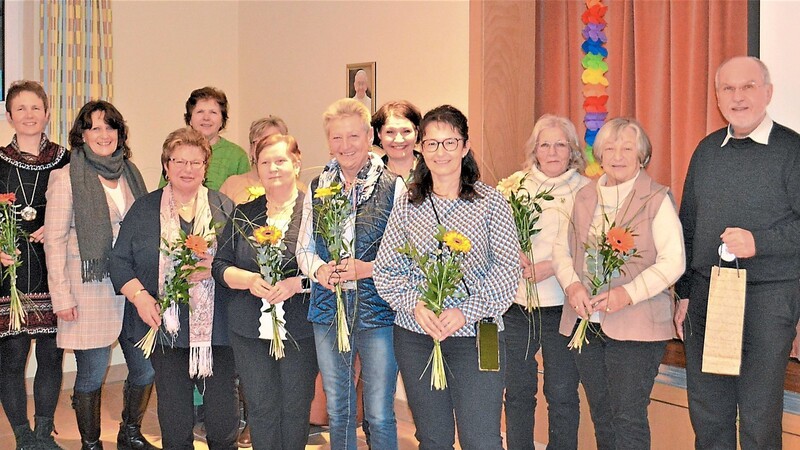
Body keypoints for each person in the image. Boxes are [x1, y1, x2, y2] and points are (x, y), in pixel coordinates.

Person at [373, 105, 521, 450]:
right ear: (420, 149)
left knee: (480, 438)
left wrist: (464, 312)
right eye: (432, 143)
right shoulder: (408, 205)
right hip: (417, 335)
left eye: (450, 142)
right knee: (433, 438)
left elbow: (506, 270)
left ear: (465, 147)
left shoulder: (491, 203)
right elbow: (386, 271)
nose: (441, 152)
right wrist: (418, 306)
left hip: (476, 334)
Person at [674, 56, 800, 449]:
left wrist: (759, 242)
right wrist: (684, 294)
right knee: (709, 415)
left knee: (760, 419)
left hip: (768, 299)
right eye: (727, 88)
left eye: (747, 86)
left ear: (768, 92)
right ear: (717, 96)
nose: (737, 96)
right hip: (708, 298)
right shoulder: (707, 150)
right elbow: (688, 226)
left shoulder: (792, 149)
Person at [552, 118, 685, 449]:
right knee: (602, 415)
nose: (618, 155)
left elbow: (674, 261)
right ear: (599, 154)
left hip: (637, 325)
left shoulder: (656, 198)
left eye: (627, 148)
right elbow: (561, 250)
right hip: (588, 322)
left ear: (642, 154)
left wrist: (629, 293)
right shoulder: (584, 195)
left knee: (627, 417)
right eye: (609, 148)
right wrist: (572, 286)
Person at [110, 127, 237, 449]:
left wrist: (215, 268)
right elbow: (119, 262)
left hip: (218, 330)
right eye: (179, 161)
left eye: (196, 162)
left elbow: (241, 261)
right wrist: (139, 298)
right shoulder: (144, 209)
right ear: (166, 165)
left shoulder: (224, 207)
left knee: (223, 417)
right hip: (164, 327)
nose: (187, 169)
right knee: (174, 416)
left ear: (206, 167)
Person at [44, 100, 155, 450]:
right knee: (91, 373)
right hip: (88, 291)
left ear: (120, 133)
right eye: (94, 127)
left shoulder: (132, 173)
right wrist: (61, 297)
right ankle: (91, 443)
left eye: (110, 126)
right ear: (82, 134)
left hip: (134, 288)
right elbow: (55, 241)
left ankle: (130, 433)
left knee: (146, 368)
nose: (103, 134)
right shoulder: (65, 178)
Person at [296, 98, 403, 450]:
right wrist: (319, 270)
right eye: (337, 138)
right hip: (328, 307)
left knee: (379, 411)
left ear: (369, 136)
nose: (345, 146)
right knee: (338, 408)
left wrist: (369, 268)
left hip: (378, 309)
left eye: (353, 137)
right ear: (328, 142)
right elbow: (304, 248)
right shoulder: (317, 187)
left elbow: (405, 252)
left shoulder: (394, 186)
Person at [213, 134, 318, 450]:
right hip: (249, 328)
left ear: (296, 163)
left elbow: (330, 269)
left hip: (301, 328)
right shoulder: (244, 212)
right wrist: (247, 279)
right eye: (265, 162)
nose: (273, 168)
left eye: (281, 160)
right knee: (261, 406)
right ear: (256, 167)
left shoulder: (314, 211)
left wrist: (296, 284)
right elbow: (219, 264)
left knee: (295, 407)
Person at [501, 114, 588, 450]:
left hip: (563, 306)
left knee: (563, 393)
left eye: (560, 145)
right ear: (535, 150)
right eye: (545, 145)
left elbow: (590, 247)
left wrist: (552, 266)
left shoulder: (587, 189)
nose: (552, 152)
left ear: (572, 151)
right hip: (517, 305)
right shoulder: (513, 186)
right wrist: (513, 254)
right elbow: (494, 236)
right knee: (519, 391)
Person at [0, 80, 69, 450]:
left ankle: (44, 432)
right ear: (9, 115)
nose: (29, 115)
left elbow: (84, 210)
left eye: (35, 108)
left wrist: (57, 224)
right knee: (11, 355)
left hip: (52, 267)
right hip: (8, 272)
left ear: (47, 112)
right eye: (20, 108)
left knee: (50, 353)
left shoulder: (68, 158)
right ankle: (22, 435)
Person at [160, 86, 249, 191]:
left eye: (213, 112)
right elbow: (162, 193)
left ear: (222, 121)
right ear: (190, 119)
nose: (206, 118)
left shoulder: (237, 155)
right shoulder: (176, 149)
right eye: (200, 112)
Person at [219, 116, 289, 205]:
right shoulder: (232, 184)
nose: (265, 147)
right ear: (251, 149)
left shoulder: (296, 188)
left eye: (273, 141)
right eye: (260, 142)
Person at [371, 100, 422, 183]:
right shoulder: (370, 177)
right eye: (390, 132)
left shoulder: (433, 171)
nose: (399, 140)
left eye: (406, 131)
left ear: (416, 132)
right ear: (379, 134)